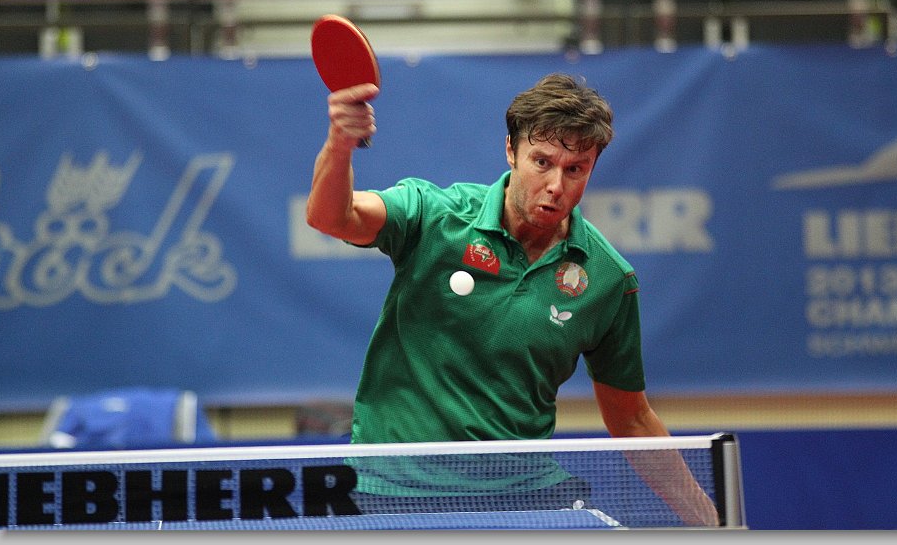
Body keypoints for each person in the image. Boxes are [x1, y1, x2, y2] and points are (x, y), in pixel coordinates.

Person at [306, 73, 719, 526]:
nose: (556, 185)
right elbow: (332, 217)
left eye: (575, 169)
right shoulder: (435, 217)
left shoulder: (607, 280)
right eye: (542, 162)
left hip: (523, 494)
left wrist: (717, 525)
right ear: (511, 151)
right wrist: (340, 143)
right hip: (394, 489)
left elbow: (632, 420)